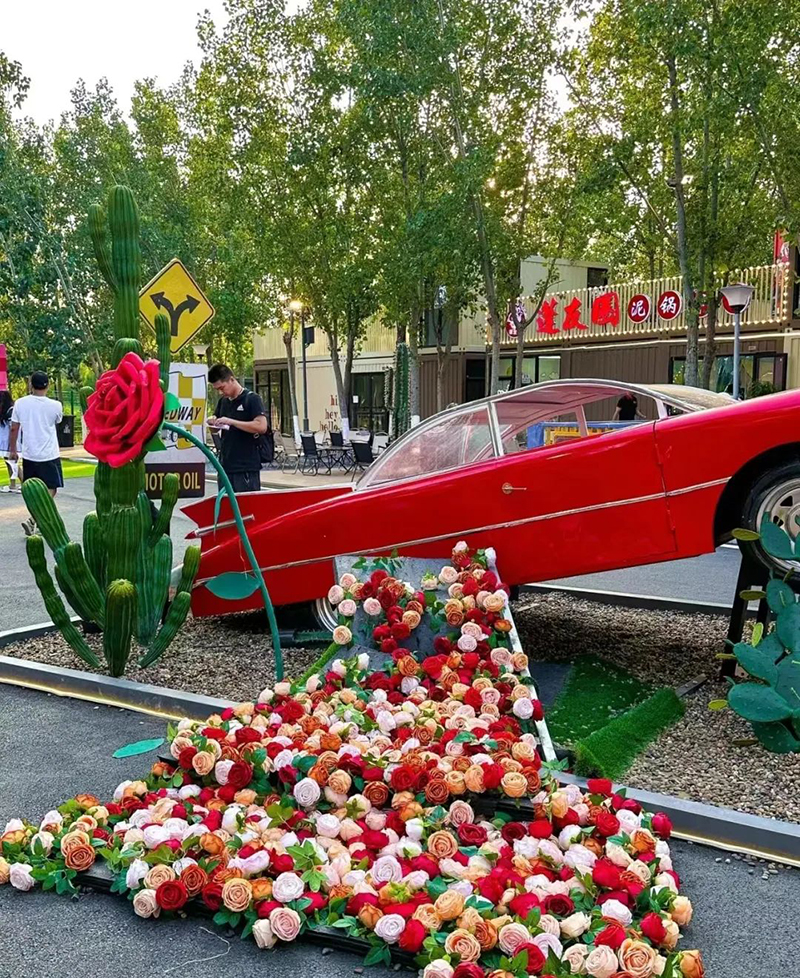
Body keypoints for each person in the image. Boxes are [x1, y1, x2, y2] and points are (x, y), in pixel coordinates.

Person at [8, 371, 64, 534]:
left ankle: (34, 520)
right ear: (48, 385)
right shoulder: (56, 405)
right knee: (51, 488)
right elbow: (58, 421)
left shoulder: (20, 403)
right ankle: (34, 520)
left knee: (33, 490)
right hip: (49, 454)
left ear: (31, 385)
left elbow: (14, 428)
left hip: (30, 454)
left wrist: (13, 450)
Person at [207, 364, 267, 492]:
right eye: (217, 389)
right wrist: (213, 423)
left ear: (231, 379)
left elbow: (261, 426)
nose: (221, 392)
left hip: (245, 467)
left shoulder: (252, 399)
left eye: (222, 388)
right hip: (225, 465)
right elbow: (217, 428)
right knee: (225, 502)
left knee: (244, 503)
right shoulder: (223, 402)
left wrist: (232, 422)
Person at [0, 390, 20, 493]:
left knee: (13, 463)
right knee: (9, 463)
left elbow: (13, 428)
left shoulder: (11, 411)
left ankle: (25, 483)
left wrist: (13, 446)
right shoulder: (5, 411)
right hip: (6, 443)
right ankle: (12, 485)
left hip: (10, 442)